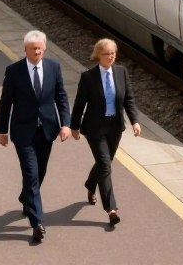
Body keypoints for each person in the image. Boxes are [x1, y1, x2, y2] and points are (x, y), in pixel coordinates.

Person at [0, 30, 71, 245]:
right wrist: (2, 130)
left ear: (44, 48)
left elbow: (61, 97)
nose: (37, 52)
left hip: (47, 130)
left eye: (39, 48)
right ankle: (37, 223)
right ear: (25, 50)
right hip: (23, 132)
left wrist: (65, 124)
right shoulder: (14, 71)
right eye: (32, 49)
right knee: (31, 174)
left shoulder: (53, 68)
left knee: (40, 172)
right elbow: (6, 103)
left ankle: (26, 198)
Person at [70, 39, 141, 226]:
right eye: (106, 53)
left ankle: (90, 185)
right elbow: (79, 104)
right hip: (94, 128)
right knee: (105, 165)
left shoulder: (121, 72)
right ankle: (111, 209)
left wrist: (135, 121)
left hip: (114, 127)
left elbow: (129, 99)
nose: (110, 57)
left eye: (112, 53)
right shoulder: (88, 77)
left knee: (104, 162)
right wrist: (74, 127)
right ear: (97, 56)